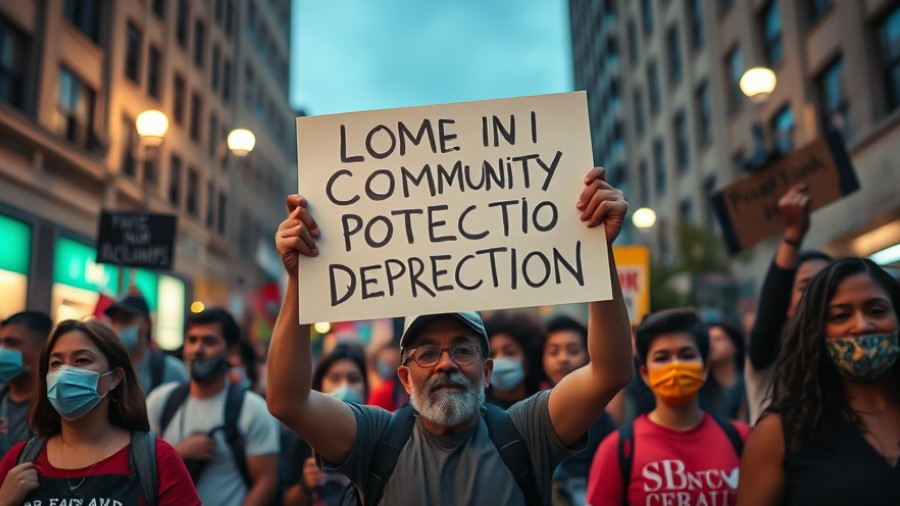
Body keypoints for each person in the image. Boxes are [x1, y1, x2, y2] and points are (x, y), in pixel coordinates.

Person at [267, 167, 633, 505]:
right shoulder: (373, 438)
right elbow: (287, 402)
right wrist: (302, 280)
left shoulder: (528, 431)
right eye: (427, 353)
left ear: (487, 371)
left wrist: (598, 251)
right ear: (405, 378)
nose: (446, 363)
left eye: (462, 349)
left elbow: (609, 372)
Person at [736, 257, 900, 505]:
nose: (862, 326)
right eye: (840, 316)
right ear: (816, 333)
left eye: (877, 311)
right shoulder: (780, 431)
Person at [0, 319, 199, 505]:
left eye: (82, 360)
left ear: (115, 378)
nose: (65, 373)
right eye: (56, 364)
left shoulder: (156, 460)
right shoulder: (19, 460)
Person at [586, 308, 750, 506]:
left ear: (705, 368)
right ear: (645, 374)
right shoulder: (617, 449)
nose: (675, 366)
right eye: (662, 358)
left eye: (687, 355)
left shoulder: (743, 439)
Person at [146, 307, 280, 506]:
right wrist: (178, 453)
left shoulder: (253, 409)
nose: (197, 349)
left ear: (231, 351)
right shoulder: (160, 400)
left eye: (209, 341)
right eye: (192, 340)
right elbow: (140, 468)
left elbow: (266, 482)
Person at [746, 183, 831, 423]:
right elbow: (768, 322)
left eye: (827, 285)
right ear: (786, 300)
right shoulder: (769, 351)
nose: (818, 293)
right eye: (806, 286)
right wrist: (793, 234)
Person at [282, 342, 369, 505]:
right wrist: (305, 485)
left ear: (365, 385)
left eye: (353, 378)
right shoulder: (301, 436)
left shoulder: (379, 434)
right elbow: (286, 501)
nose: (345, 386)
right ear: (319, 385)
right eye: (335, 378)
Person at [543, 314, 616, 506]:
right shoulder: (528, 412)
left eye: (573, 351)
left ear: (587, 356)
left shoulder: (600, 417)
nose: (563, 359)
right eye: (553, 351)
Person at [104, 292, 189, 395]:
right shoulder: (104, 368)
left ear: (147, 324)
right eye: (114, 321)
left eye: (126, 319)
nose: (118, 327)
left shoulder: (171, 370)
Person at [0, 311, 53, 456]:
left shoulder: (55, 409)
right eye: (0, 342)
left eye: (11, 343)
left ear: (43, 349)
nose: (2, 350)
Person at [484, 309, 548, 409]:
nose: (499, 359)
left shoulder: (545, 405)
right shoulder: (477, 411)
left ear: (529, 357)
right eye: (492, 354)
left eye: (510, 353)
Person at [700, 320, 748, 421]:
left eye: (718, 339)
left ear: (736, 346)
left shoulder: (747, 385)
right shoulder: (701, 385)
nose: (711, 345)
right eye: (709, 340)